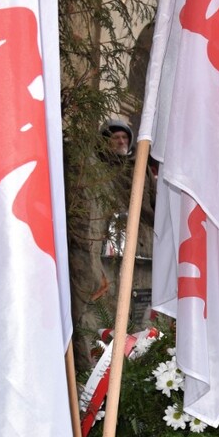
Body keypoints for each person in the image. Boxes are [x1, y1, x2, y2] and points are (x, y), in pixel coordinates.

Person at [69, 119, 157, 366]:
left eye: (124, 138)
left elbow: (151, 206)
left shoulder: (138, 169)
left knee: (137, 312)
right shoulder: (97, 171)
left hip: (140, 251)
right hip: (107, 252)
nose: (121, 142)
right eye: (115, 137)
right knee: (107, 311)